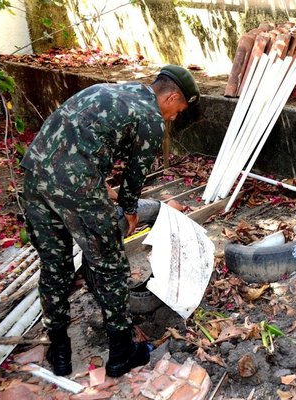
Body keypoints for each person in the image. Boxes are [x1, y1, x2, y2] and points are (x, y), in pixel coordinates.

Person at [21, 65, 200, 377]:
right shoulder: (151, 117)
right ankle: (121, 354)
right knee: (110, 267)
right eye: (178, 111)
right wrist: (129, 209)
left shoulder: (117, 90)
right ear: (171, 97)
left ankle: (60, 354)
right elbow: (135, 174)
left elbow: (79, 136)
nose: (172, 118)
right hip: (76, 186)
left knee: (55, 267)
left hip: (36, 175)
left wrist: (98, 182)